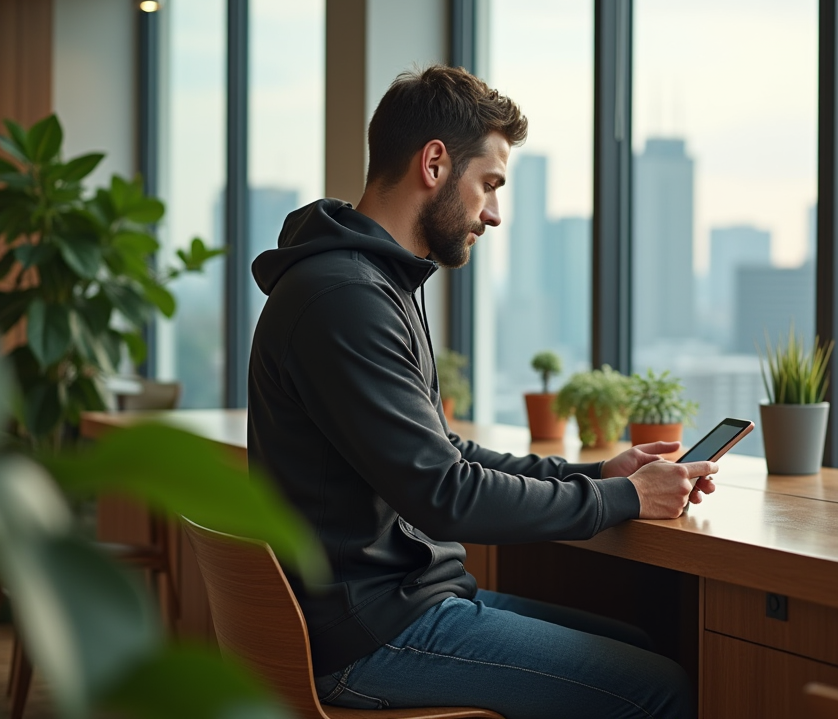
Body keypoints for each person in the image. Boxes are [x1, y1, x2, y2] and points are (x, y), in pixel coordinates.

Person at [247, 65, 718, 719]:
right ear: (435, 163)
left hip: (396, 604)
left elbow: (443, 453)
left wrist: (599, 472)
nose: (493, 213)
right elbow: (444, 494)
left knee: (637, 644)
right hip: (371, 633)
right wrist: (622, 498)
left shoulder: (370, 283)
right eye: (489, 184)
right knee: (657, 688)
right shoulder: (344, 297)